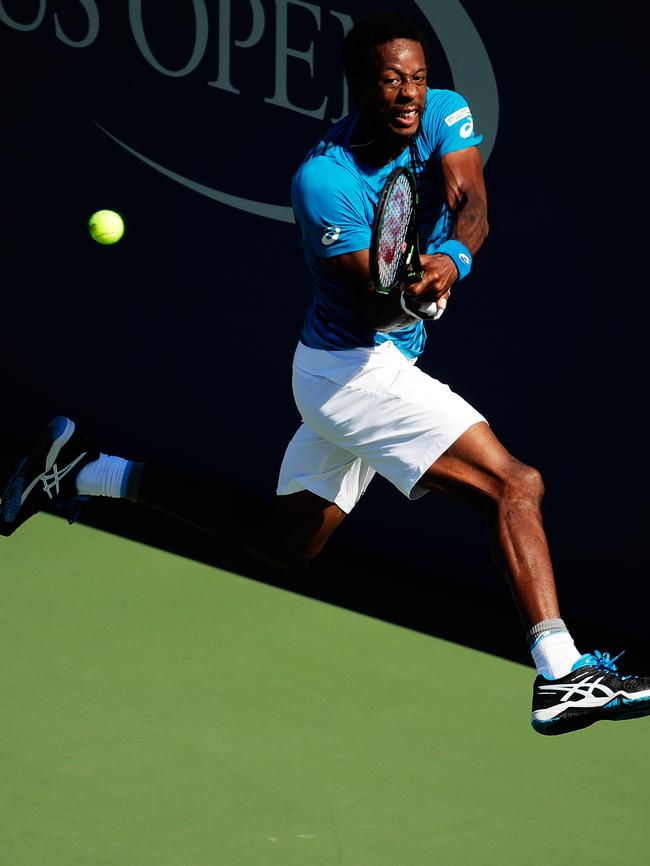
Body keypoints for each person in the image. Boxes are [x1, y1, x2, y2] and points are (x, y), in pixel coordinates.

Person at [2, 13, 649, 736]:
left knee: (286, 543)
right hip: (354, 373)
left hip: (355, 367)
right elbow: (373, 308)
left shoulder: (441, 111)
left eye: (418, 77)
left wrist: (451, 262)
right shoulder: (322, 183)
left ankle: (82, 471)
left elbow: (472, 205)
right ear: (359, 88)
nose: (410, 95)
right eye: (391, 81)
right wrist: (411, 291)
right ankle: (562, 676)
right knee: (514, 484)